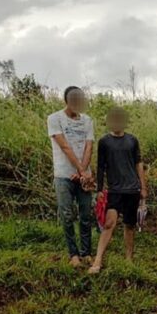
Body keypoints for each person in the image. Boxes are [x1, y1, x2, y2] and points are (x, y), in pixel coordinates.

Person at [89, 107, 148, 274]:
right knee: (109, 224)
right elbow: (101, 166)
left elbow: (138, 164)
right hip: (114, 190)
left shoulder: (132, 140)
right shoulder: (104, 142)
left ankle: (129, 259)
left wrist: (143, 187)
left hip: (132, 189)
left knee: (129, 225)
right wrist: (100, 189)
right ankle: (98, 260)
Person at [47, 86, 94, 266]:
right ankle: (73, 255)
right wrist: (81, 170)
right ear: (66, 101)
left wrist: (83, 172)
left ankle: (86, 252)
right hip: (63, 175)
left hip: (84, 176)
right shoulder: (54, 118)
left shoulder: (88, 120)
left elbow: (89, 146)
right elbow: (64, 146)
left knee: (85, 214)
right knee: (67, 215)